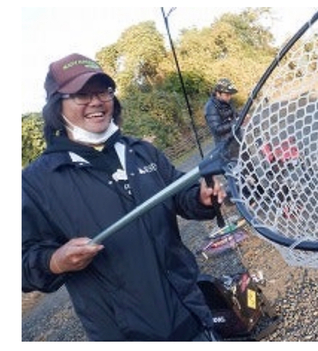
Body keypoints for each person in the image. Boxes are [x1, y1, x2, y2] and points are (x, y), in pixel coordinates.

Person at [22, 53, 226, 341]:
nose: (96, 102)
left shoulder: (140, 150)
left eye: (103, 91)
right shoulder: (36, 181)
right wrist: (55, 261)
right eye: (81, 94)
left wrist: (202, 198)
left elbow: (181, 194)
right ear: (57, 105)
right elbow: (22, 263)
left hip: (192, 315)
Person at [204, 78, 240, 148]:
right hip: (225, 145)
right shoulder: (210, 107)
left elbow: (234, 114)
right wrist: (236, 122)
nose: (229, 97)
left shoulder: (227, 101)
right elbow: (217, 129)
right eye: (227, 95)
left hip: (236, 138)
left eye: (230, 94)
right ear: (218, 93)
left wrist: (242, 116)